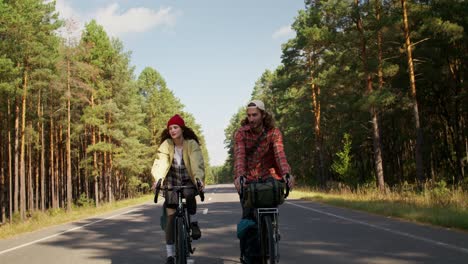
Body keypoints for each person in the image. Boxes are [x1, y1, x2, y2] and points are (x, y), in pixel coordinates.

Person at [233, 100, 294, 263]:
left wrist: (287, 174)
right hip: (247, 178)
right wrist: (240, 176)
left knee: (270, 209)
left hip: (268, 177)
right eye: (249, 115)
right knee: (249, 220)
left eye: (255, 115)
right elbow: (240, 156)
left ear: (263, 115)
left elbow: (280, 155)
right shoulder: (241, 133)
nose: (251, 119)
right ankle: (247, 254)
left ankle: (270, 233)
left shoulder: (274, 132)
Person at [151, 114, 205, 264]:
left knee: (189, 194)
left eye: (175, 127)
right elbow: (161, 162)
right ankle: (170, 254)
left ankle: (193, 223)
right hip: (172, 181)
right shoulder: (166, 145)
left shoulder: (191, 144)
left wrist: (198, 179)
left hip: (189, 179)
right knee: (170, 218)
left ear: (182, 128)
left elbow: (196, 163)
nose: (172, 130)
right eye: (170, 128)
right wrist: (158, 179)